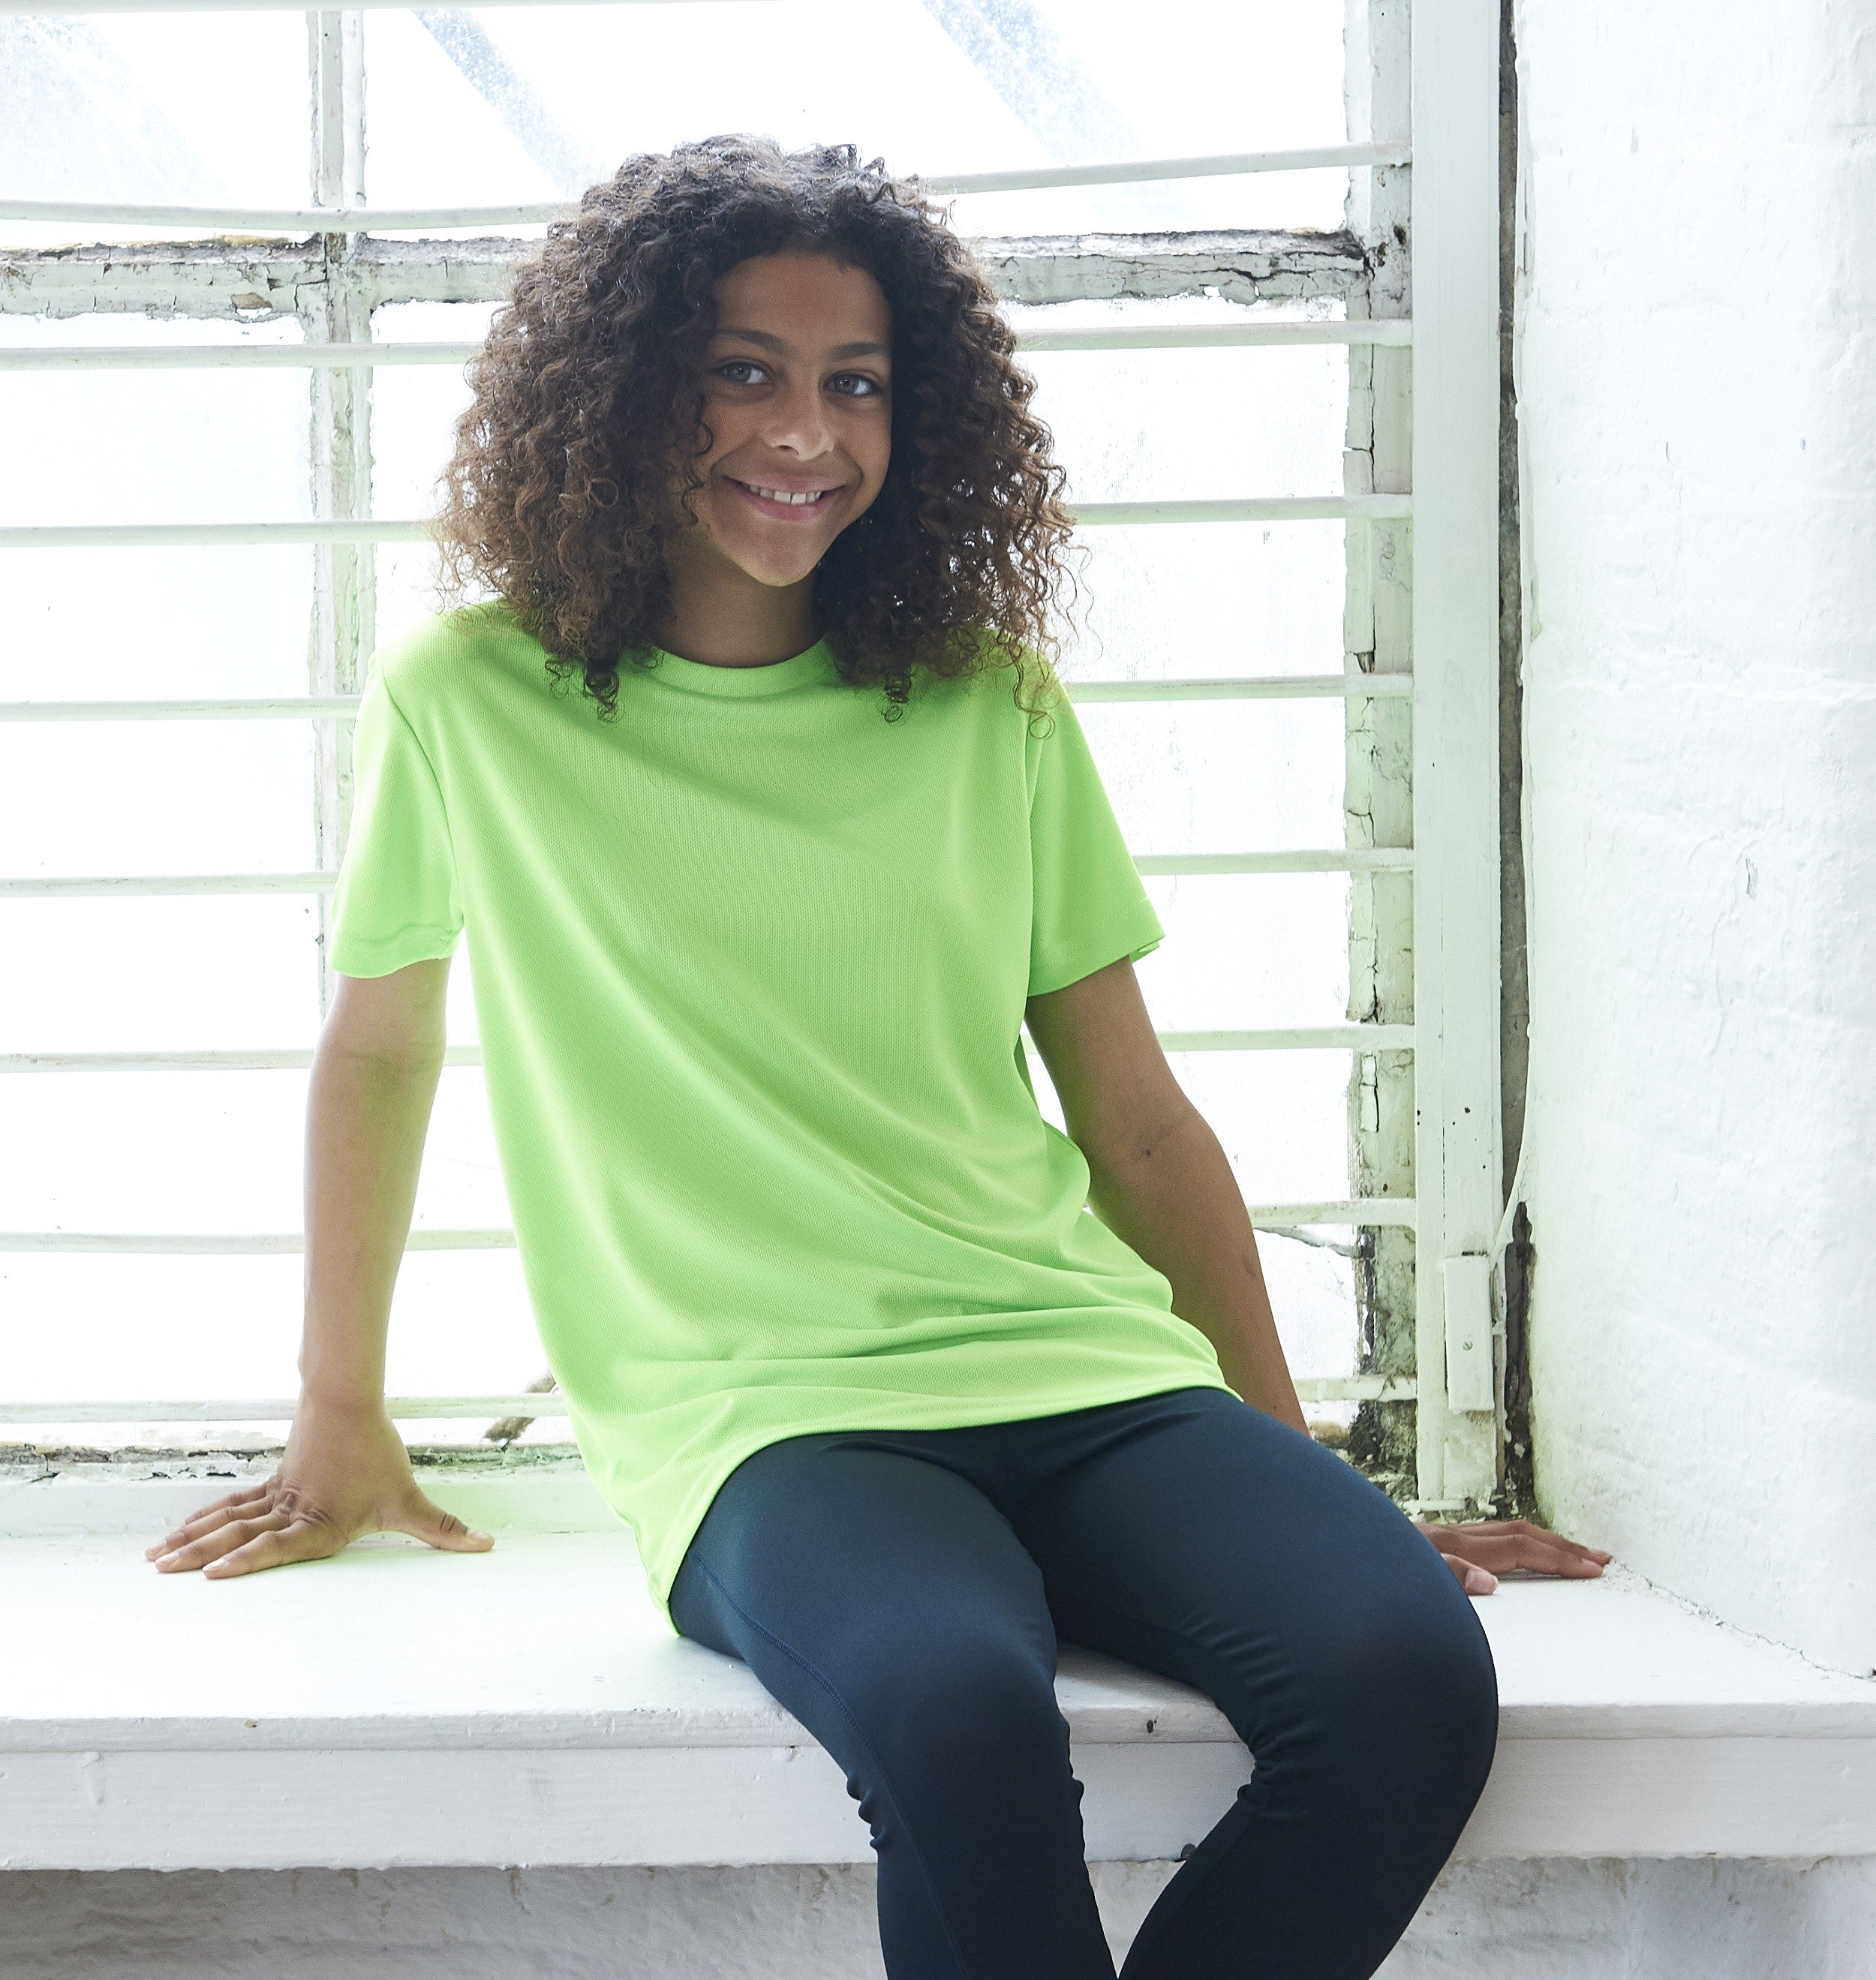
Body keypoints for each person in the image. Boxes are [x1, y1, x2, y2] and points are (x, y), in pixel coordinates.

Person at [146, 137, 1610, 1978]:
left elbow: (1137, 1126)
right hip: (765, 1418)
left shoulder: (985, 699)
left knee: (1401, 1676)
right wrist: (339, 1411)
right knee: (951, 1710)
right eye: (742, 370)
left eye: (856, 383)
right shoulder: (473, 698)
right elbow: (378, 1051)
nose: (804, 431)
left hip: (1081, 1364)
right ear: (622, 390)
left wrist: (1286, 1466)